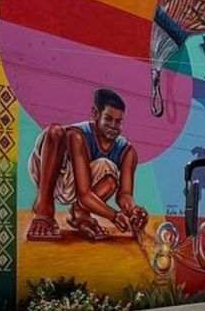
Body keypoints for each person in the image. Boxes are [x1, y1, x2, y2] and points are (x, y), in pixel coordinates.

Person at [27, 88, 148, 241]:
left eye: (118, 122)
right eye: (108, 119)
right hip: (53, 175)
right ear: (95, 114)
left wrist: (133, 211)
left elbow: (124, 195)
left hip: (79, 188)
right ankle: (42, 210)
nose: (113, 126)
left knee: (110, 176)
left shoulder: (128, 152)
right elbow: (84, 194)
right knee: (55, 132)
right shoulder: (77, 135)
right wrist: (114, 216)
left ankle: (79, 214)